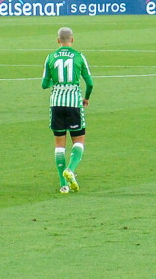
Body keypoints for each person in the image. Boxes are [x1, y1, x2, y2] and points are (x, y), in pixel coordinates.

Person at [43, 26, 93, 193]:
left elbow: (44, 84)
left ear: (58, 40)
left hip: (56, 104)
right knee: (79, 141)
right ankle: (70, 170)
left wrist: (55, 83)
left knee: (59, 145)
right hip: (73, 104)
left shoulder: (50, 57)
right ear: (72, 39)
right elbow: (90, 83)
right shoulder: (79, 56)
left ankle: (63, 185)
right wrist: (86, 98)